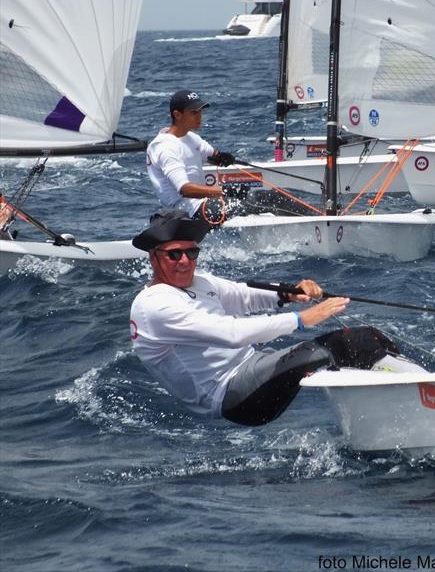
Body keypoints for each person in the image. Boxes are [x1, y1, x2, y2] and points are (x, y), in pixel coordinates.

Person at [129, 209, 398, 425]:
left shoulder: (199, 282)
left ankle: (401, 400)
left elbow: (243, 295)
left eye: (192, 252)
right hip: (231, 396)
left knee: (369, 338)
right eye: (174, 254)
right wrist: (302, 318)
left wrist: (291, 292)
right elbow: (230, 333)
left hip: (254, 368)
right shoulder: (154, 305)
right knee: (347, 343)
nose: (185, 261)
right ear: (154, 259)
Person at [146, 90, 237, 223]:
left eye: (200, 112)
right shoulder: (165, 147)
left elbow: (212, 155)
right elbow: (185, 189)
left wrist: (222, 157)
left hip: (202, 204)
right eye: (194, 113)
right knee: (253, 203)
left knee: (267, 197)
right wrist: (224, 191)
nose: (199, 117)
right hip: (186, 212)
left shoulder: (191, 137)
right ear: (177, 115)